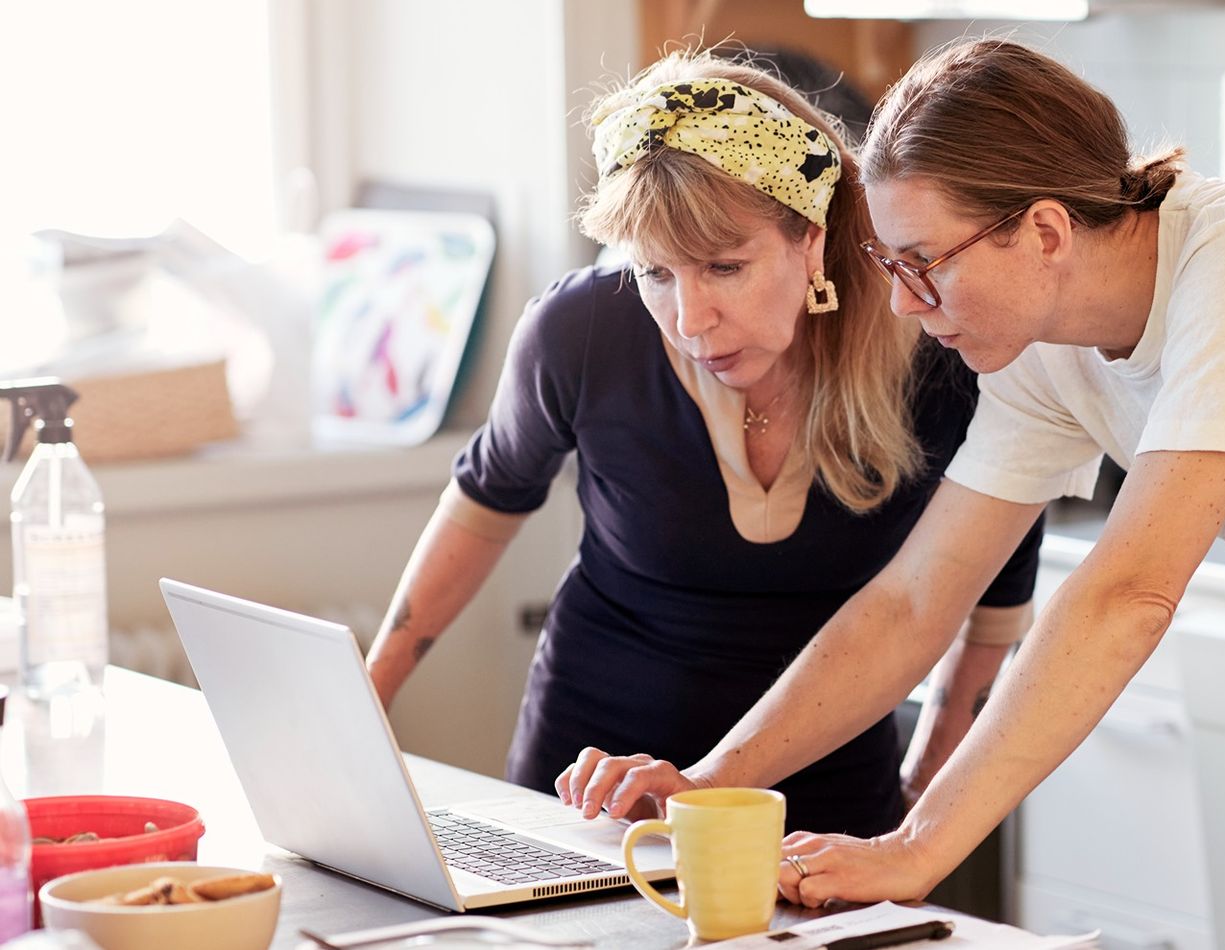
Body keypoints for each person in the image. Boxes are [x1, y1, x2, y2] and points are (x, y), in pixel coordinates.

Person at [562, 36, 1225, 906]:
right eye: (887, 266)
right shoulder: (1044, 352)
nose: (899, 302)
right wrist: (708, 782)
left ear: (1045, 231)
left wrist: (916, 847)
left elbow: (1133, 591)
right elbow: (915, 600)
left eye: (922, 264)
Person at [365, 49, 1045, 839]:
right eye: (656, 272)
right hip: (590, 785)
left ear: (811, 238)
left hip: (820, 800)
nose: (690, 320)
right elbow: (483, 504)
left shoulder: (936, 352)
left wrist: (918, 815)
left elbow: (989, 607)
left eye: (725, 267)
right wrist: (369, 697)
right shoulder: (582, 332)